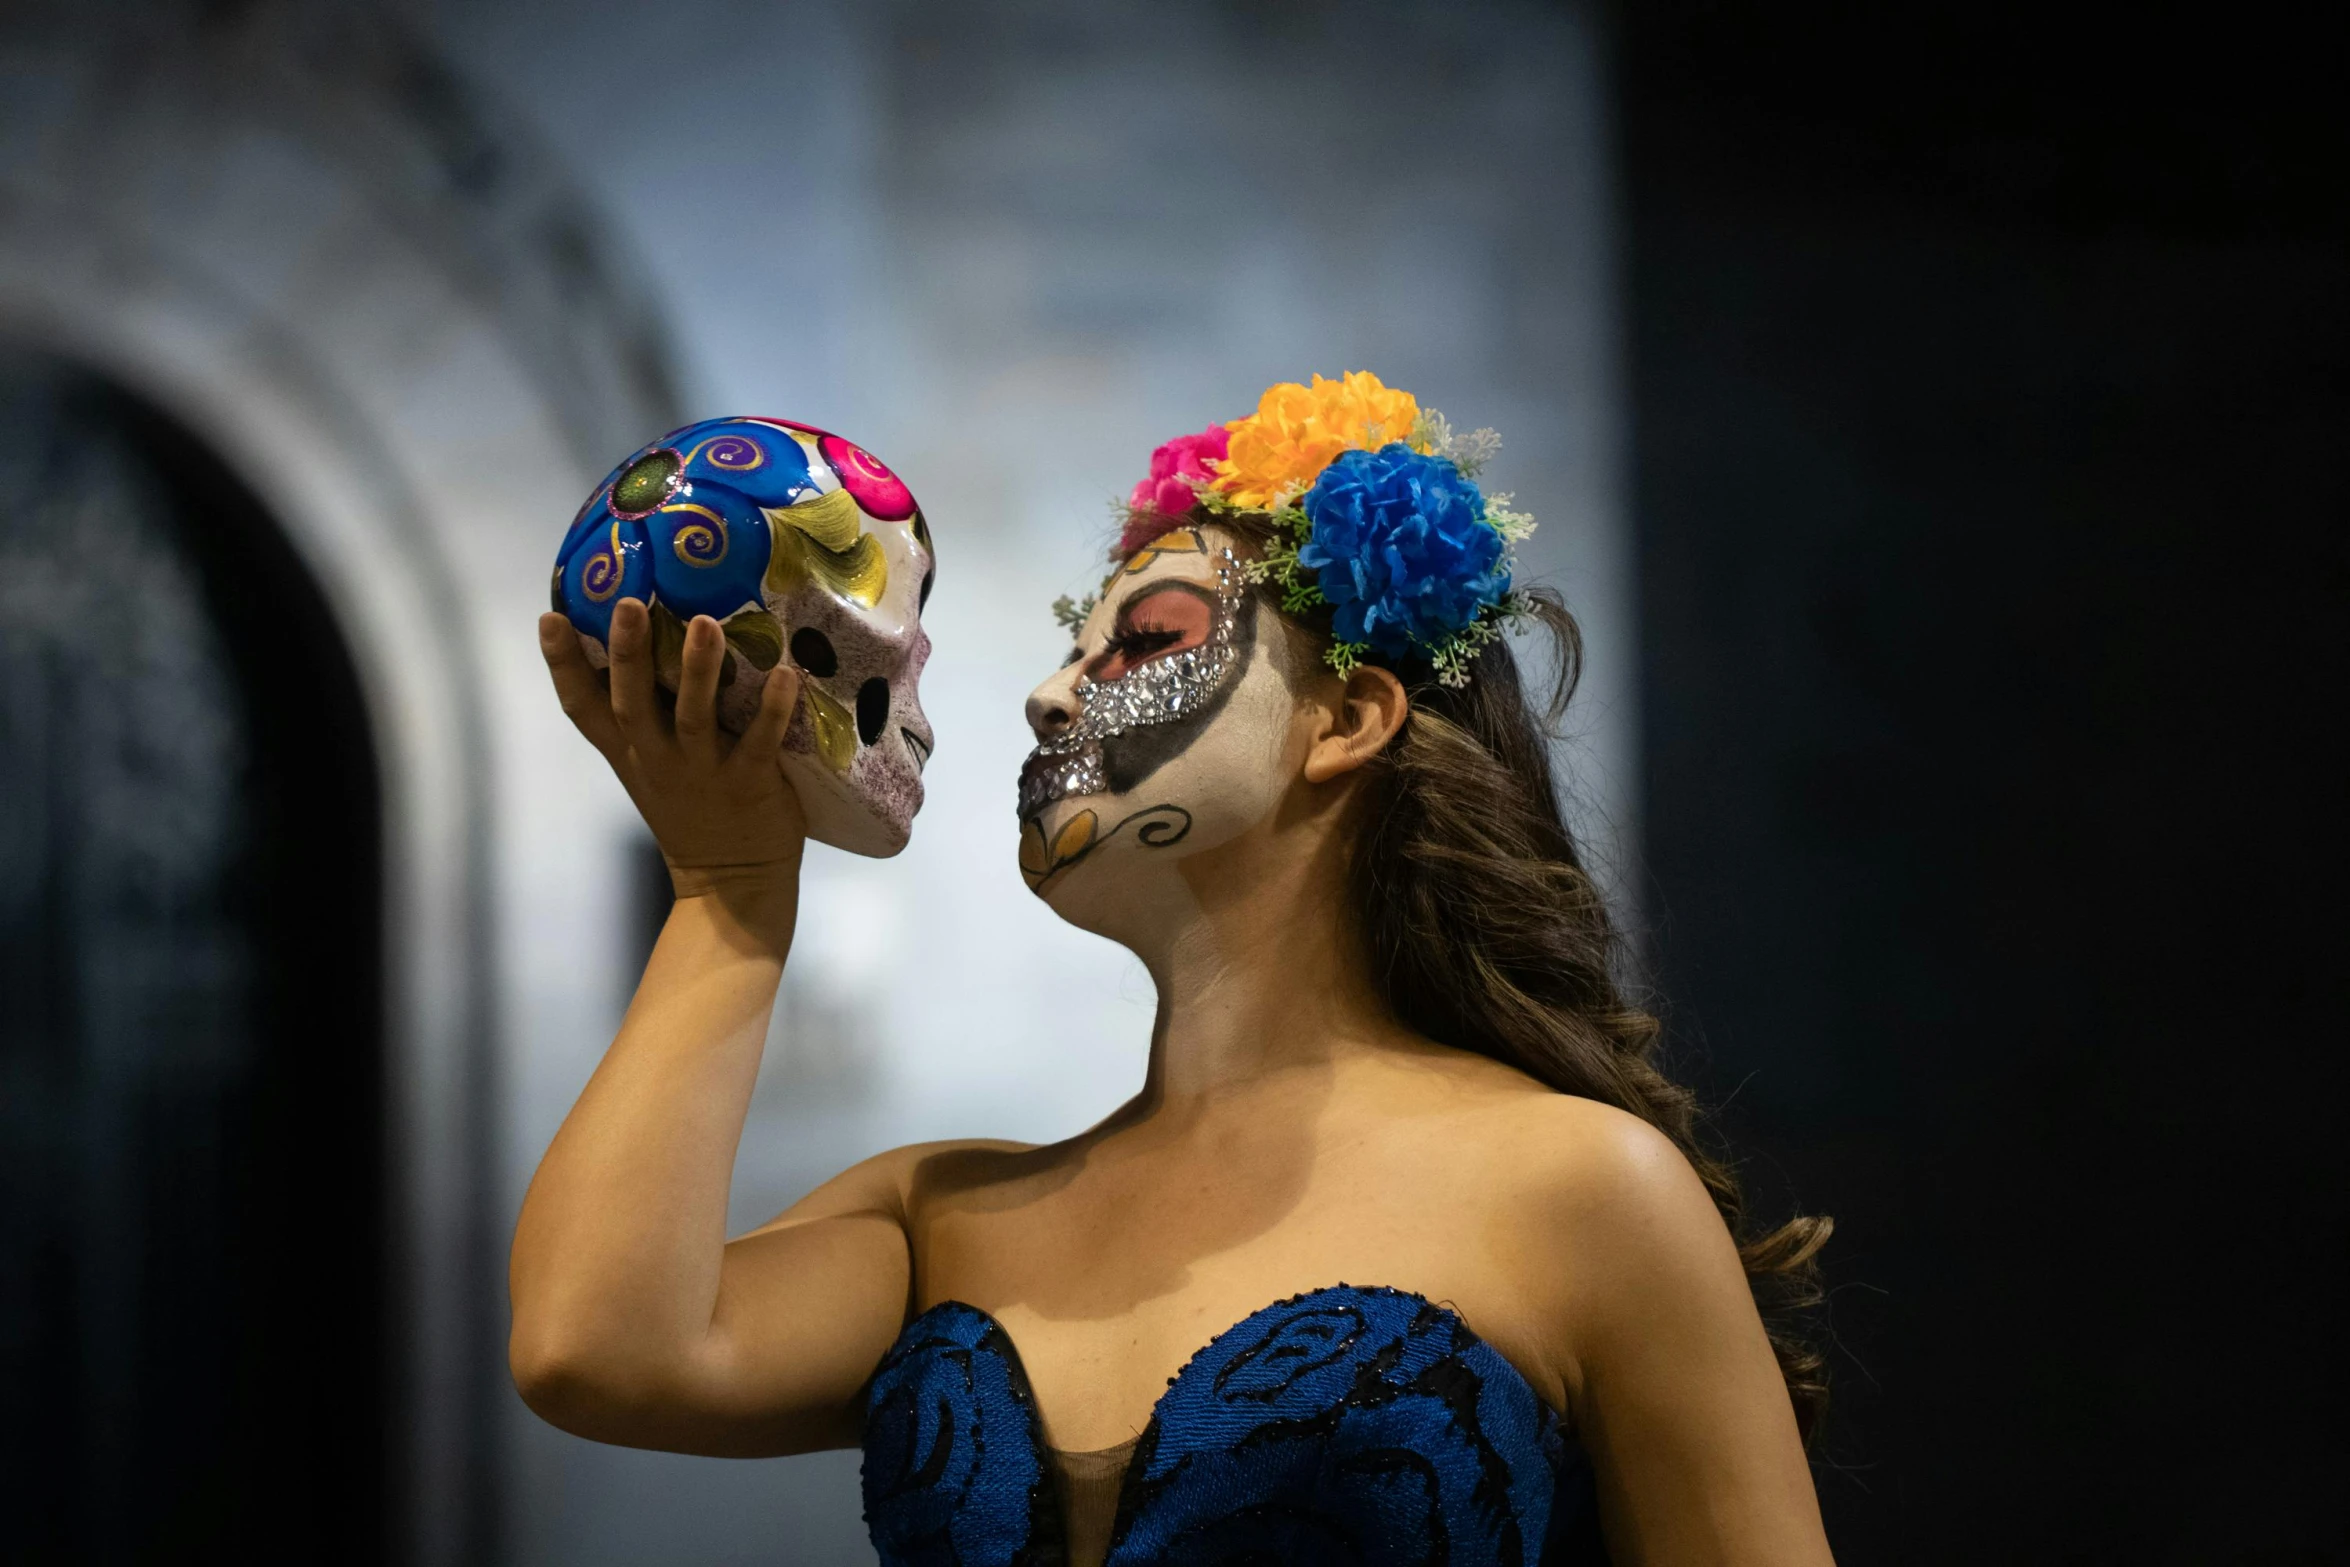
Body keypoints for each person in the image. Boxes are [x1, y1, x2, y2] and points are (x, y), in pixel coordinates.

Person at [510, 372, 1837, 1565]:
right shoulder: (941, 1215)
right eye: (1069, 647)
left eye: (1138, 642)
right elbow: (590, 1346)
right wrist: (729, 897)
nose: (1047, 693)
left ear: (1351, 718)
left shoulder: (1583, 1192)